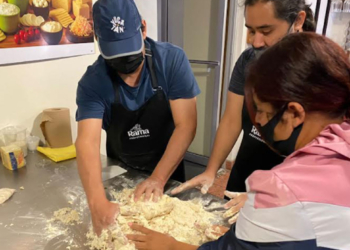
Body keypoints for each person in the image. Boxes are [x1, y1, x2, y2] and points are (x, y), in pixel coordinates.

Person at [126, 32, 350, 250]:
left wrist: (170, 246)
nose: (258, 122)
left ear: (294, 113)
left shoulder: (282, 190)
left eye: (262, 112)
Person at [171, 0, 316, 224]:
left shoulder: (319, 70)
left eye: (266, 31)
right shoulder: (248, 62)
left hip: (292, 187)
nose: (255, 42)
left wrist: (269, 194)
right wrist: (212, 170)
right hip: (247, 169)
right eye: (250, 30)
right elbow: (232, 119)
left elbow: (324, 160)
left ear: (298, 21)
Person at [75, 0, 200, 234]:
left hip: (168, 165)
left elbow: (187, 125)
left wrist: (158, 179)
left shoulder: (171, 60)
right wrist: (97, 203)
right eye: (115, 55)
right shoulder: (92, 82)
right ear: (97, 40)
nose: (125, 62)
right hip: (122, 170)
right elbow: (87, 142)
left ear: (143, 29)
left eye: (130, 51)